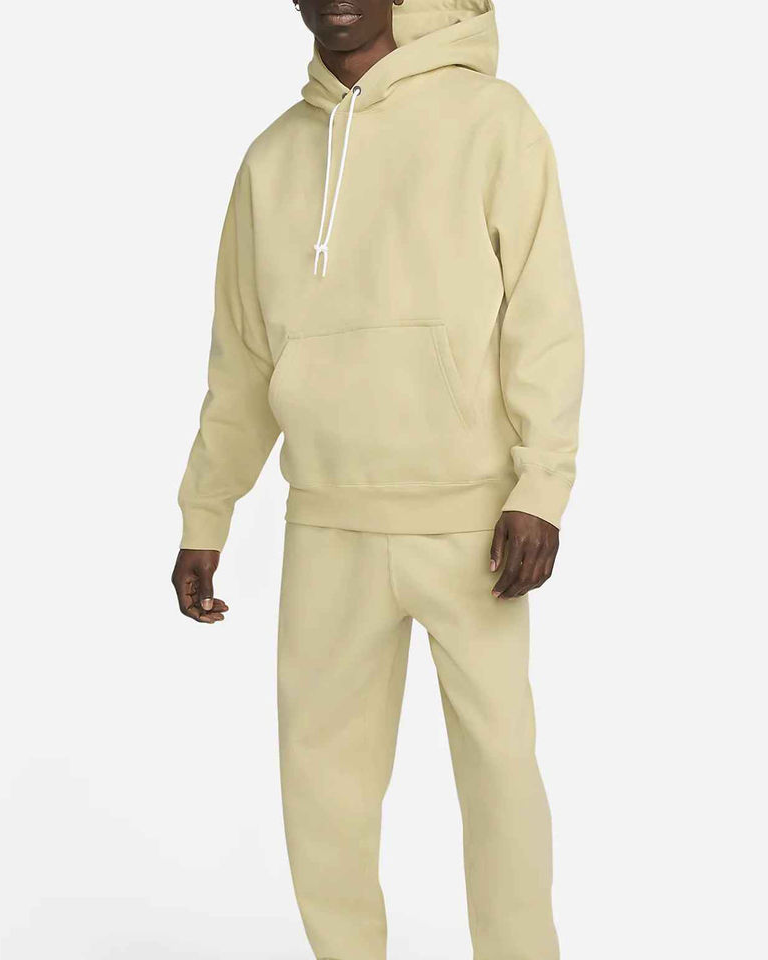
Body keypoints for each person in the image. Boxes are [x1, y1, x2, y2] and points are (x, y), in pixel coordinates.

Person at [171, 0, 584, 956]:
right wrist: (206, 513)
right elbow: (241, 360)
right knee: (322, 788)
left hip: (472, 521)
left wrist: (540, 488)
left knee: (500, 773)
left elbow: (545, 317)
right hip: (326, 521)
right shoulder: (271, 161)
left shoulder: (493, 121)